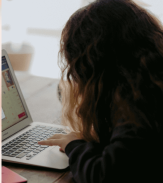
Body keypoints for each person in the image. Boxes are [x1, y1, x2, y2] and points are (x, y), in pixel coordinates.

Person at [38, 0, 163, 182]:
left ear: (92, 64)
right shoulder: (150, 80)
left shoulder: (137, 105)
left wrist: (72, 145)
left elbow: (103, 176)